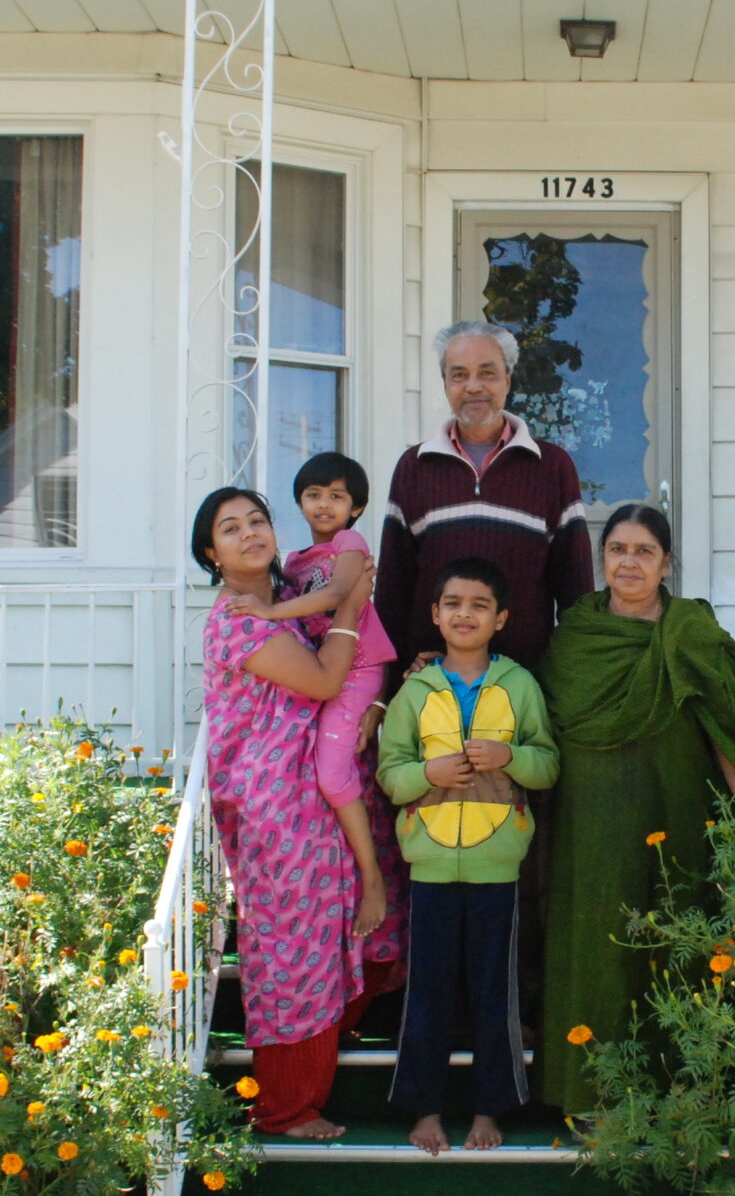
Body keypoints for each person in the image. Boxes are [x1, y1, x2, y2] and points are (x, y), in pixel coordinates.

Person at [537, 503, 735, 1118]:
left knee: (678, 929)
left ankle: (681, 1090)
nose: (630, 562)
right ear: (601, 559)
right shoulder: (575, 635)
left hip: (677, 800)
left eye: (644, 551)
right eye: (618, 549)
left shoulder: (691, 630)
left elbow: (723, 721)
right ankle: (592, 1093)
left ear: (667, 562)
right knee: (598, 936)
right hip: (591, 814)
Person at [193, 485, 405, 1141]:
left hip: (315, 794)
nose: (250, 532)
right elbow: (319, 681)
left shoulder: (281, 602)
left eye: (257, 520)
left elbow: (353, 672)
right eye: (231, 528)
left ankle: (323, 1059)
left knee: (354, 916)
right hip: (275, 804)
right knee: (293, 947)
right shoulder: (238, 617)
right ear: (212, 552)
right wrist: (350, 604)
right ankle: (286, 1107)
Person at [375, 559, 561, 1154]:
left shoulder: (520, 687)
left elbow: (548, 764)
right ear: (434, 614)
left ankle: (489, 1109)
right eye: (452, 603)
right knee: (427, 992)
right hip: (428, 866)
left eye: (479, 605)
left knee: (493, 993)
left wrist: (508, 759)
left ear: (501, 619)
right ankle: (425, 1109)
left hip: (497, 868)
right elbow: (389, 773)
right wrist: (427, 771)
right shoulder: (415, 690)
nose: (464, 614)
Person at [226, 450, 396, 939]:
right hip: (326, 672)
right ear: (299, 502)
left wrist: (265, 611)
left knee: (331, 772)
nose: (325, 504)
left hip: (357, 669)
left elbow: (338, 595)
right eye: (314, 495)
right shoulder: (296, 563)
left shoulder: (349, 541)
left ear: (356, 507)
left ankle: (373, 880)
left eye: (337, 496)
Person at [375, 320, 593, 673]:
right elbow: (392, 592)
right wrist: (393, 682)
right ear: (444, 383)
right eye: (459, 375)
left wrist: (568, 683)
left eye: (487, 373)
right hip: (432, 688)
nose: (473, 386)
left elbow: (576, 593)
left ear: (507, 378)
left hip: (525, 687)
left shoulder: (552, 467)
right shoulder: (414, 467)